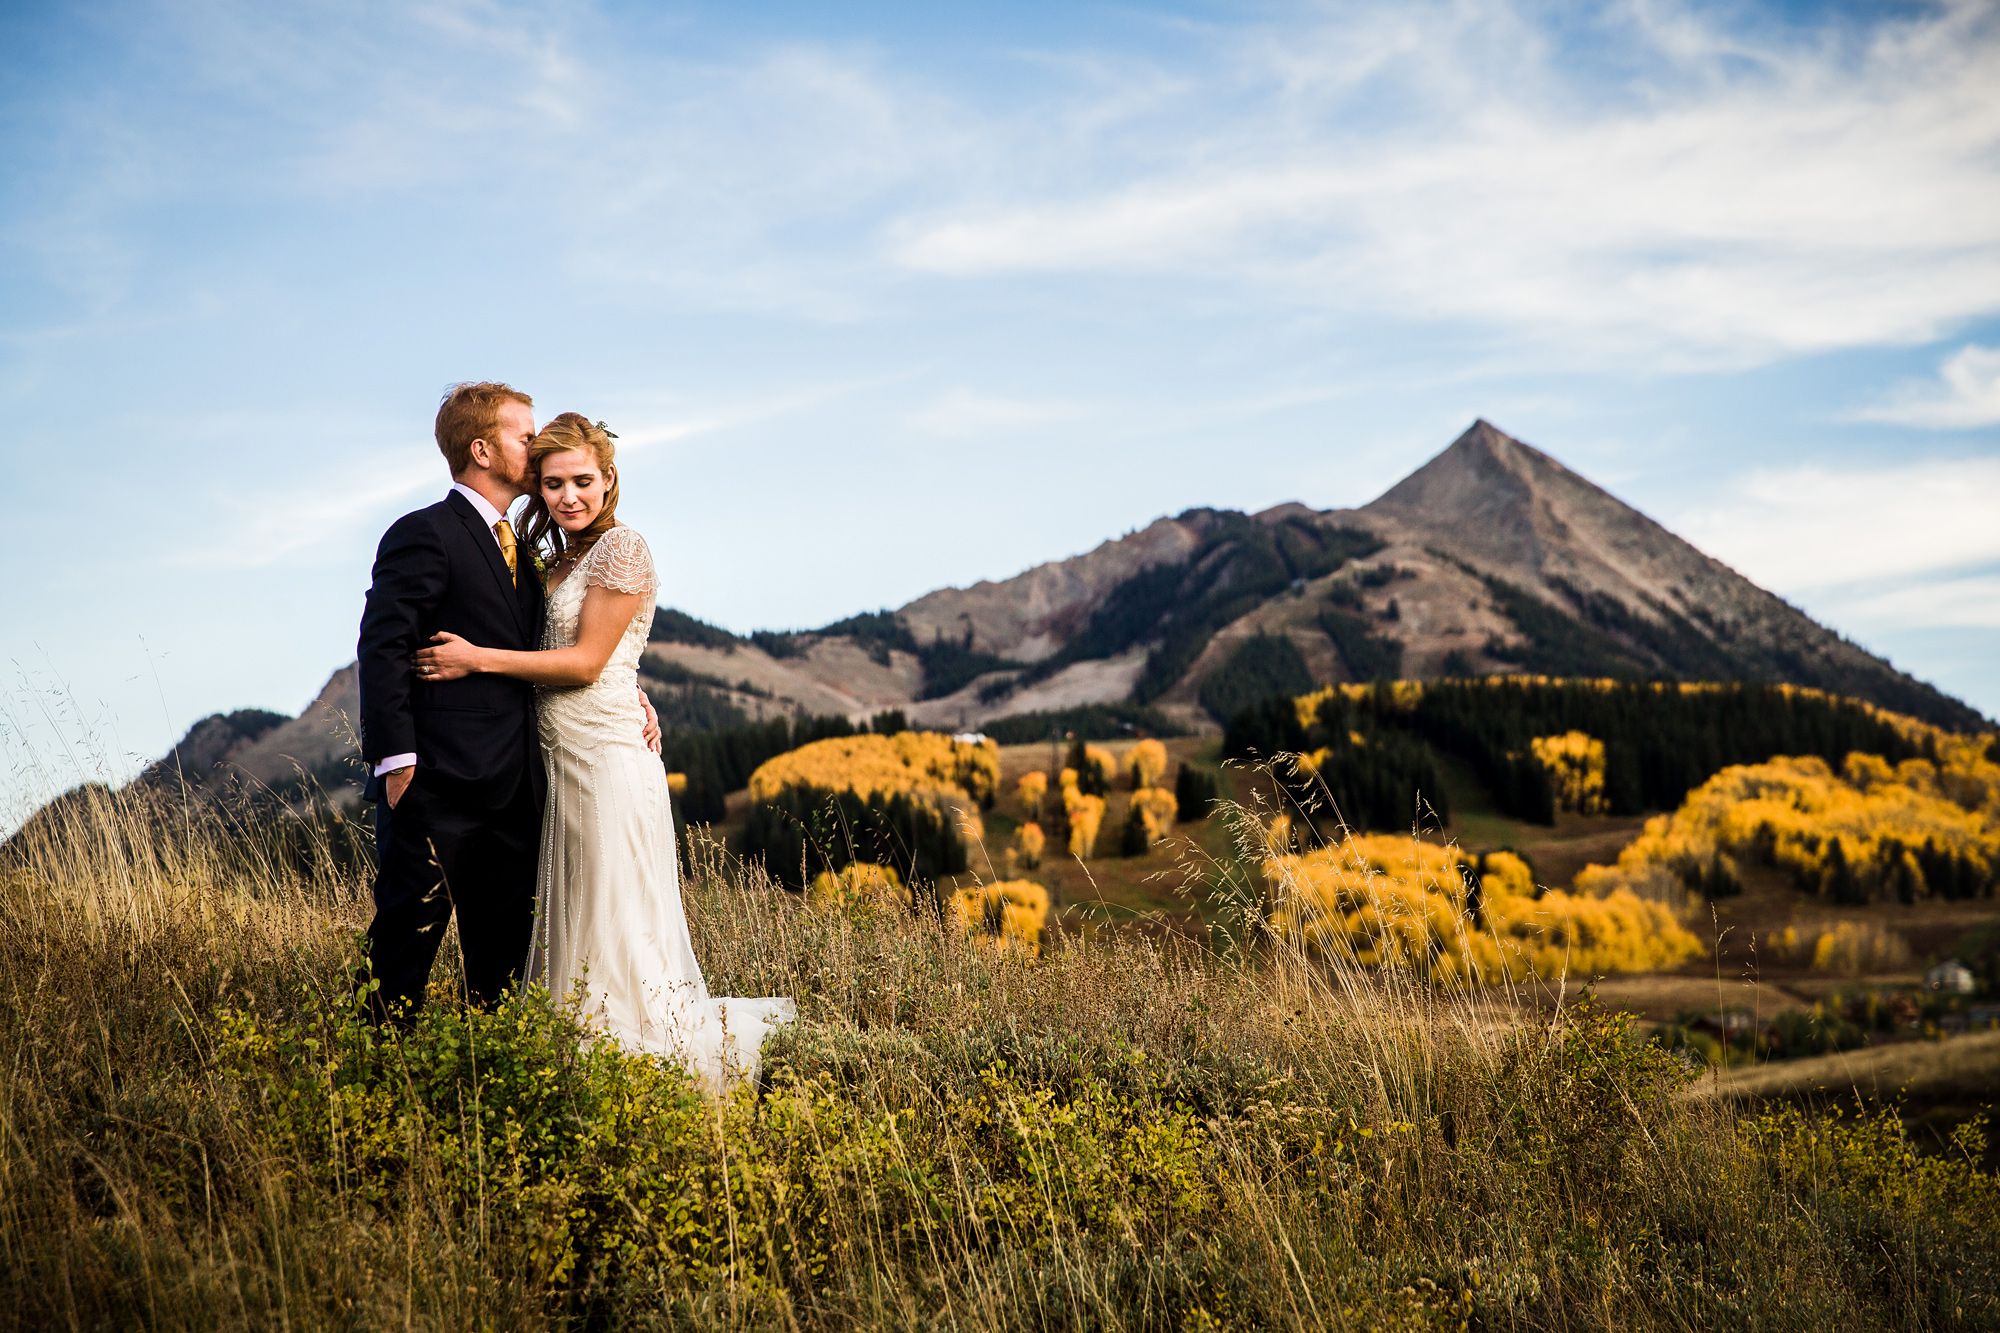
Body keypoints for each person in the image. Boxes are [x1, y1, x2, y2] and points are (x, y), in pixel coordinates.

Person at [415, 412, 795, 1089]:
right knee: (575, 914)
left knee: (614, 916)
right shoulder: (552, 555)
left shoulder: (623, 548)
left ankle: (639, 1059)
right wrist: (634, 683)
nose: (569, 497)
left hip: (608, 763)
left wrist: (475, 659)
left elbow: (589, 661)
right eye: (554, 483)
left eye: (583, 481)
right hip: (559, 761)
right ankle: (574, 1049)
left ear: (609, 478)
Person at [355, 383, 660, 1021]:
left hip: (519, 790)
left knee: (502, 973)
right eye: (524, 436)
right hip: (436, 783)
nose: (536, 444)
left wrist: (623, 685)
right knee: (401, 955)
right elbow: (382, 646)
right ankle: (368, 1076)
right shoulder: (424, 534)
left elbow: (561, 647)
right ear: (483, 449)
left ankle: (484, 1086)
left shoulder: (528, 551)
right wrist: (397, 762)